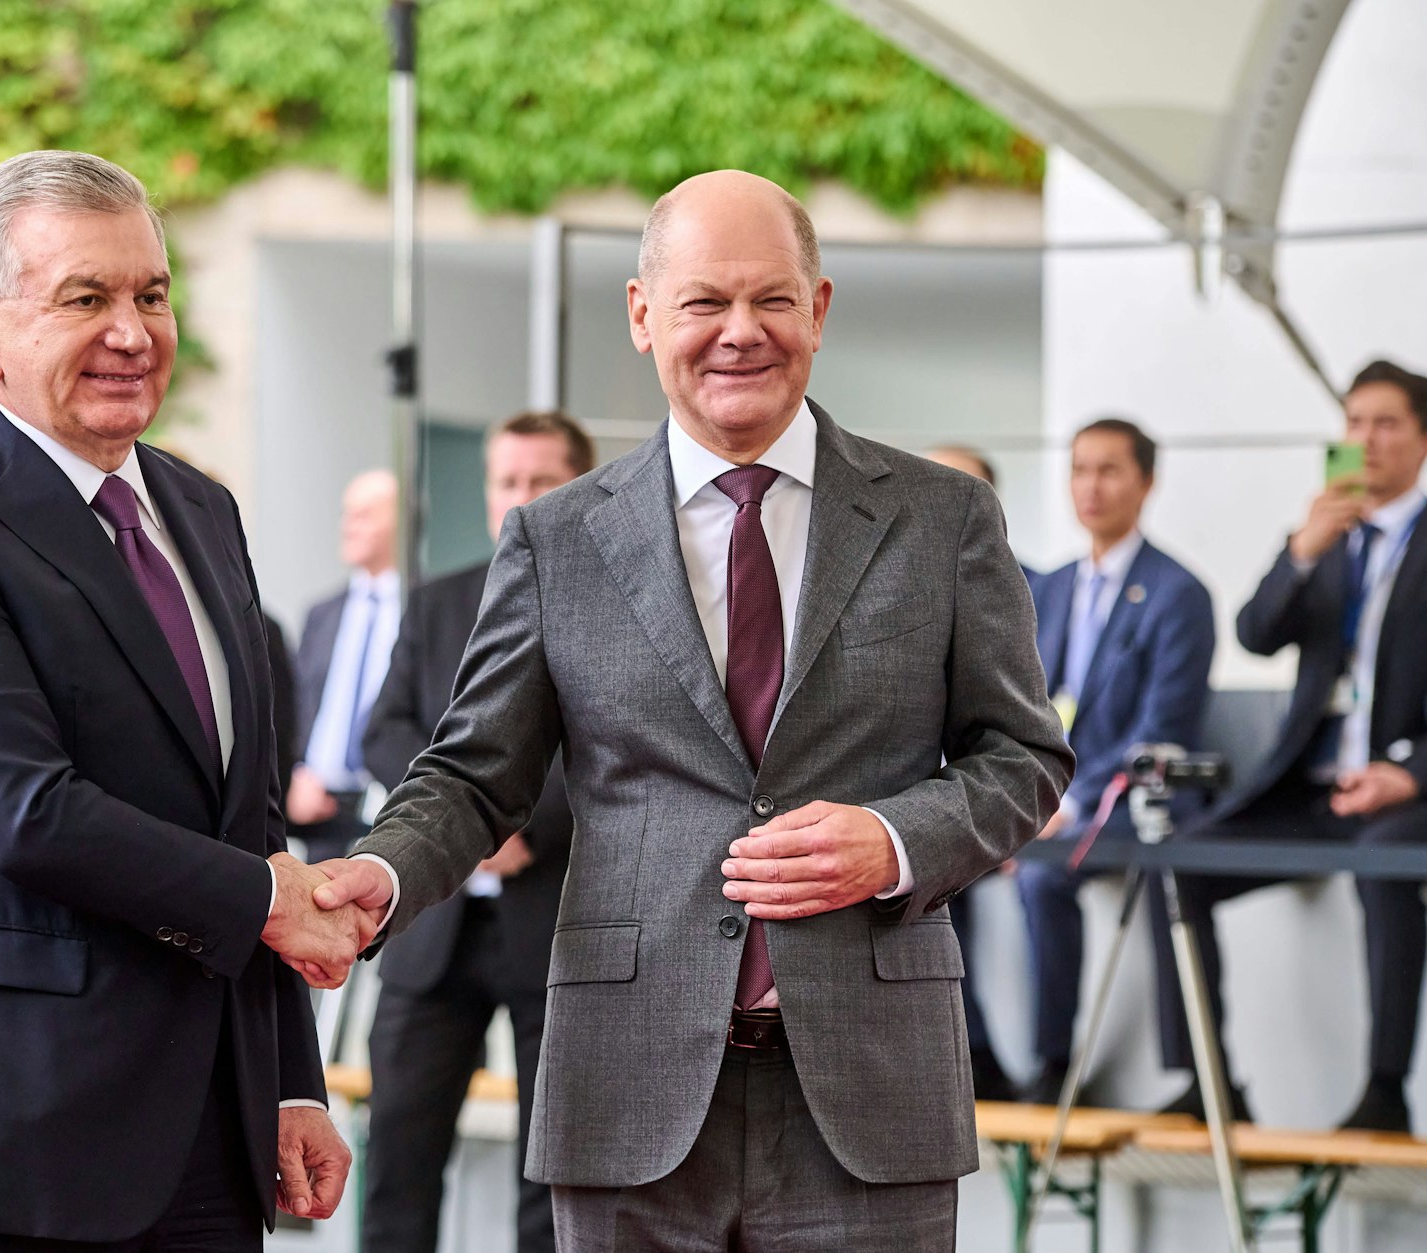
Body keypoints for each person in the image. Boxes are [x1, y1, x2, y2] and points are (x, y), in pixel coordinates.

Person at [297, 170, 1071, 1251]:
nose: (740, 331)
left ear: (819, 308)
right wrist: (377, 874)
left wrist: (894, 838)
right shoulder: (557, 538)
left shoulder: (943, 518)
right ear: (642, 314)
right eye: (704, 301)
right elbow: (474, 774)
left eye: (772, 299)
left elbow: (1023, 756)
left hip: (869, 1089)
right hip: (626, 1088)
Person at [0, 150, 365, 1251]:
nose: (133, 332)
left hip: (208, 1146)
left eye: (151, 295)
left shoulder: (201, 510)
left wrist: (287, 1079)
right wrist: (267, 901)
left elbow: (249, 817)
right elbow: (18, 809)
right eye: (85, 298)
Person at [1155, 360, 1427, 1132]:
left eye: (1386, 423)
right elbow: (1256, 632)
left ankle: (1385, 1090)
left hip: (1404, 794)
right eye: (1354, 422)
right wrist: (1302, 550)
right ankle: (1208, 1081)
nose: (1365, 439)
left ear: (1422, 438)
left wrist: (1409, 773)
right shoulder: (1328, 539)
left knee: (1387, 865)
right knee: (1176, 863)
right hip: (1311, 787)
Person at [359, 411, 594, 1253]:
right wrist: (464, 822)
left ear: (580, 486)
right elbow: (384, 731)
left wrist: (512, 816)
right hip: (435, 922)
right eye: (507, 480)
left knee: (551, 1173)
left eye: (541, 480)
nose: (520, 497)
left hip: (557, 917)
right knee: (399, 1157)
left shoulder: (620, 603)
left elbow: (619, 748)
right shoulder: (437, 600)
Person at [1016, 419, 1215, 1106]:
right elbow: (1021, 708)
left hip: (1133, 801)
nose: (1090, 486)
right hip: (1051, 797)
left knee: (1042, 878)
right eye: (1079, 469)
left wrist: (1070, 803)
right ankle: (974, 1055)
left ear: (1146, 482)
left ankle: (1052, 1065)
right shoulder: (1051, 589)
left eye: (1109, 470)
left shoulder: (1176, 593)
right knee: (931, 864)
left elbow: (1162, 728)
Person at [920, 444, 1021, 1101]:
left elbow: (1017, 731)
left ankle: (996, 1056)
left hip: (973, 799)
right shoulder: (878, 580)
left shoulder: (1018, 586)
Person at [287, 469, 400, 861]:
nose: (349, 526)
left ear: (400, 522)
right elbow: (294, 706)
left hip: (390, 804)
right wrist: (293, 774)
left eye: (365, 515)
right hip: (319, 806)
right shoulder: (322, 613)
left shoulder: (418, 610)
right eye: (346, 514)